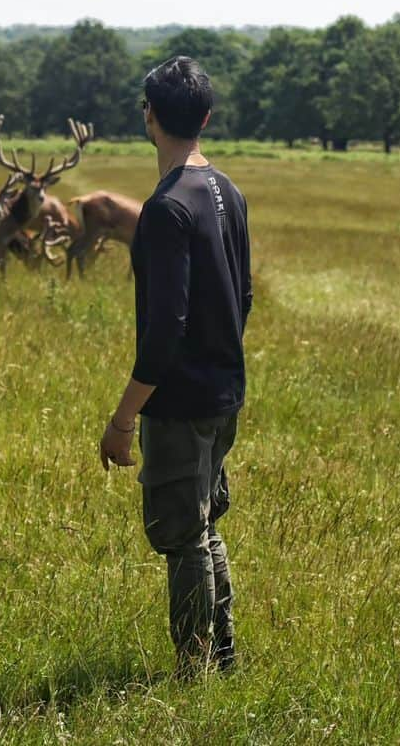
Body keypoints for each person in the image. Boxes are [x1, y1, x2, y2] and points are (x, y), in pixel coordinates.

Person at [99, 55, 253, 680]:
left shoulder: (165, 209)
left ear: (149, 117)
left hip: (182, 403)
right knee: (204, 522)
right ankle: (223, 657)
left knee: (181, 534)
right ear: (207, 118)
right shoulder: (228, 190)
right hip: (223, 395)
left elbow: (165, 333)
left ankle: (193, 673)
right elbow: (243, 295)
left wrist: (123, 419)